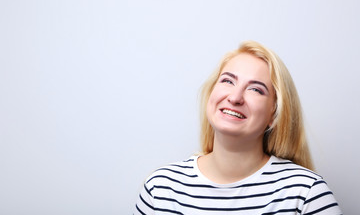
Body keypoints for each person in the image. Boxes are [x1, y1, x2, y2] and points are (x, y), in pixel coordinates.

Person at [134, 41, 342, 214]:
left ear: (274, 114)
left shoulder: (306, 194)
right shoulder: (159, 189)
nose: (234, 98)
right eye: (227, 81)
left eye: (255, 89)